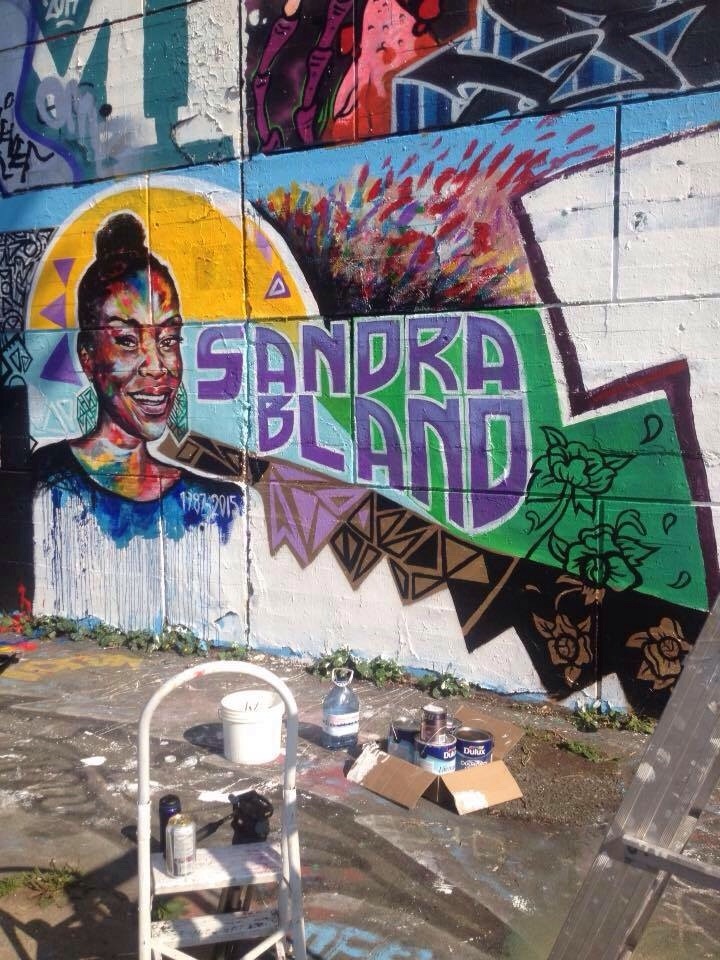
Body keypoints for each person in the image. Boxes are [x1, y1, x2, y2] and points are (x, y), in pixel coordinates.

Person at [32, 213, 246, 635]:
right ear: (88, 357)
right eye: (128, 341)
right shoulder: (43, 485)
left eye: (168, 340)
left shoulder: (217, 505)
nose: (157, 366)